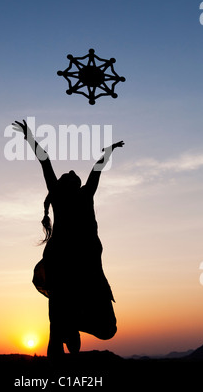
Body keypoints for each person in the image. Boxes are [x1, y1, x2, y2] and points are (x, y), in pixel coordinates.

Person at [12, 119, 124, 359]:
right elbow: (46, 162)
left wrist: (108, 152)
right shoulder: (64, 196)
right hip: (66, 264)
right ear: (66, 185)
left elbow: (96, 171)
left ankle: (70, 326)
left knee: (104, 328)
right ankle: (65, 339)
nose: (74, 172)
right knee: (60, 324)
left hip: (81, 263)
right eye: (70, 174)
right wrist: (29, 137)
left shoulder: (83, 195)